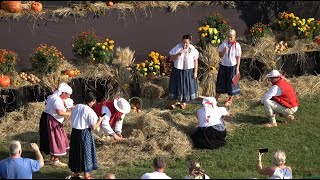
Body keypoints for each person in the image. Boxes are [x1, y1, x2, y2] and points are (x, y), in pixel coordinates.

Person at [68, 91, 104, 179]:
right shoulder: (89, 111)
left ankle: (76, 174)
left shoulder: (76, 107)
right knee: (86, 153)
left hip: (75, 132)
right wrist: (100, 120)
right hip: (84, 133)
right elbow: (94, 127)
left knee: (76, 152)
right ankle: (86, 175)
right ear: (92, 101)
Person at [39, 83, 74, 157]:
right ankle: (55, 159)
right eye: (68, 94)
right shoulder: (56, 99)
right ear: (63, 93)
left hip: (50, 118)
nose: (69, 96)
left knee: (54, 137)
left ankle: (53, 157)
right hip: (51, 120)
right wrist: (70, 114)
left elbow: (70, 105)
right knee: (55, 138)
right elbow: (59, 112)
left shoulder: (56, 97)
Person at [168, 34, 199, 109]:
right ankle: (175, 101)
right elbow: (171, 58)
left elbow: (195, 61)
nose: (185, 44)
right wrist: (178, 54)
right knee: (177, 85)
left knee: (185, 86)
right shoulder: (178, 47)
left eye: (186, 43)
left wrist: (195, 72)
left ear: (190, 42)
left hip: (188, 71)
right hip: (178, 70)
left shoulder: (192, 49)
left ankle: (183, 102)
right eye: (183, 42)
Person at [216, 29, 242, 106]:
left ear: (234, 36)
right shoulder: (224, 44)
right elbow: (219, 55)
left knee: (232, 83)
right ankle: (216, 98)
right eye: (228, 37)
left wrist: (237, 69)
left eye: (231, 37)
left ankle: (230, 99)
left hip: (232, 66)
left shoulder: (237, 45)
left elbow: (238, 57)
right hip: (224, 65)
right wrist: (223, 52)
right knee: (220, 81)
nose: (230, 38)